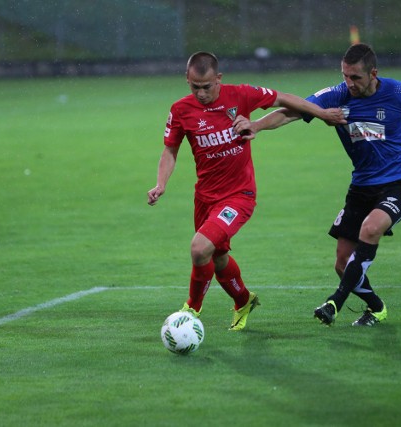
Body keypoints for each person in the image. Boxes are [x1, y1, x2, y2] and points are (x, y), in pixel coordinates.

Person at [147, 51, 344, 330]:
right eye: (195, 87)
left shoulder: (241, 95)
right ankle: (243, 300)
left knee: (199, 248)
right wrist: (161, 184)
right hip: (205, 197)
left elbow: (284, 98)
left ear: (219, 78)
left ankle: (191, 310)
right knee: (217, 257)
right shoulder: (180, 110)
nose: (201, 93)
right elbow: (170, 150)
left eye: (207, 86)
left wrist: (322, 113)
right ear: (187, 81)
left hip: (239, 196)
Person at [233, 43, 401, 327]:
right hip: (361, 185)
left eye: (356, 77)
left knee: (371, 228)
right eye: (345, 75)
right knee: (342, 263)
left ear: (373, 73)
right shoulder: (336, 96)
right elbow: (292, 111)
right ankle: (376, 308)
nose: (349, 83)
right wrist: (257, 126)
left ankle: (335, 302)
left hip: (400, 181)